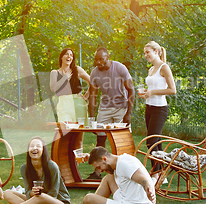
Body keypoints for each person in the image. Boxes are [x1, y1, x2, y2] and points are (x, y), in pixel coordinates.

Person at [0, 137, 71, 204]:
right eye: (31, 146)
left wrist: (38, 199)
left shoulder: (51, 166)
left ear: (43, 150)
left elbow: (54, 193)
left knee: (40, 196)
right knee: (7, 193)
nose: (34, 148)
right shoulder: (25, 168)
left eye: (38, 146)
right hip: (38, 202)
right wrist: (32, 193)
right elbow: (28, 192)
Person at [62, 146, 156, 204]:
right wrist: (89, 156)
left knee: (88, 199)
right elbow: (100, 157)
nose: (100, 171)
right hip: (127, 200)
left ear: (104, 158)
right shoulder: (118, 161)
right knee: (109, 178)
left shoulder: (125, 164)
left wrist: (149, 191)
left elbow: (144, 179)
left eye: (99, 167)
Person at [87, 47, 135, 179]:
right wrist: (91, 119)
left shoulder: (120, 68)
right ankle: (97, 172)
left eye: (101, 59)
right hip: (105, 108)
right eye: (96, 59)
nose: (98, 62)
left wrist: (128, 113)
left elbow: (131, 90)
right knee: (100, 139)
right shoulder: (94, 73)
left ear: (108, 57)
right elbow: (92, 95)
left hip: (121, 108)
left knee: (121, 141)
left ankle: (125, 172)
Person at [139, 41, 176, 179]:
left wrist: (152, 92)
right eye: (144, 53)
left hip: (160, 109)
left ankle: (156, 174)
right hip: (149, 108)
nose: (145, 55)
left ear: (156, 51)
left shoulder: (164, 67)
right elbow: (152, 89)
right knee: (155, 142)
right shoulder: (151, 69)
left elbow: (172, 90)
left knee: (151, 141)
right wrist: (146, 94)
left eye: (147, 52)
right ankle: (161, 174)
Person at [49, 48, 90, 123]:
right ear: (61, 57)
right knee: (65, 129)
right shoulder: (54, 73)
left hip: (78, 103)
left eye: (71, 55)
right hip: (64, 105)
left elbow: (92, 82)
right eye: (66, 54)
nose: (69, 56)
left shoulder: (77, 70)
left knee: (80, 130)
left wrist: (86, 96)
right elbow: (53, 88)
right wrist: (65, 77)